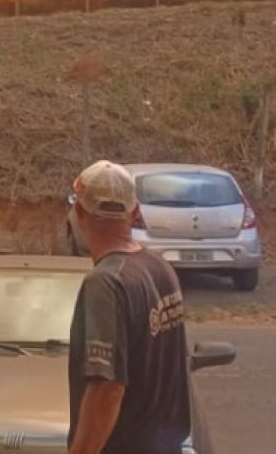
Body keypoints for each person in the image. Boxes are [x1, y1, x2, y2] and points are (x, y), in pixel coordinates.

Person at [67, 160, 190, 454]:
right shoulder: (160, 268)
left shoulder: (106, 283)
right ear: (134, 212)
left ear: (79, 213)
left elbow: (107, 389)